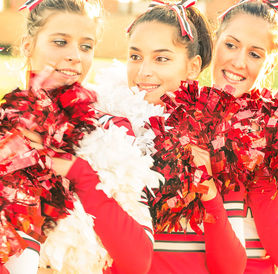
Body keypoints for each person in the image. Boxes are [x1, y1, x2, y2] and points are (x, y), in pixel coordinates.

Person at [1, 0, 159, 273]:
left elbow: (138, 261)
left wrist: (80, 173)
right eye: (60, 42)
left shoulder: (113, 129)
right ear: (28, 46)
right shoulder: (6, 133)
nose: (75, 55)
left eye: (86, 46)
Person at [125, 1, 248, 273]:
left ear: (192, 67)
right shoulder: (109, 132)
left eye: (161, 58)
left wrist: (210, 191)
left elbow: (231, 268)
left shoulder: (219, 140)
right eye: (135, 56)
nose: (143, 71)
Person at [211, 0, 278, 273]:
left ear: (270, 64)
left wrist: (257, 173)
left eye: (255, 54)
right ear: (215, 40)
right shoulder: (175, 118)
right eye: (230, 45)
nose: (238, 62)